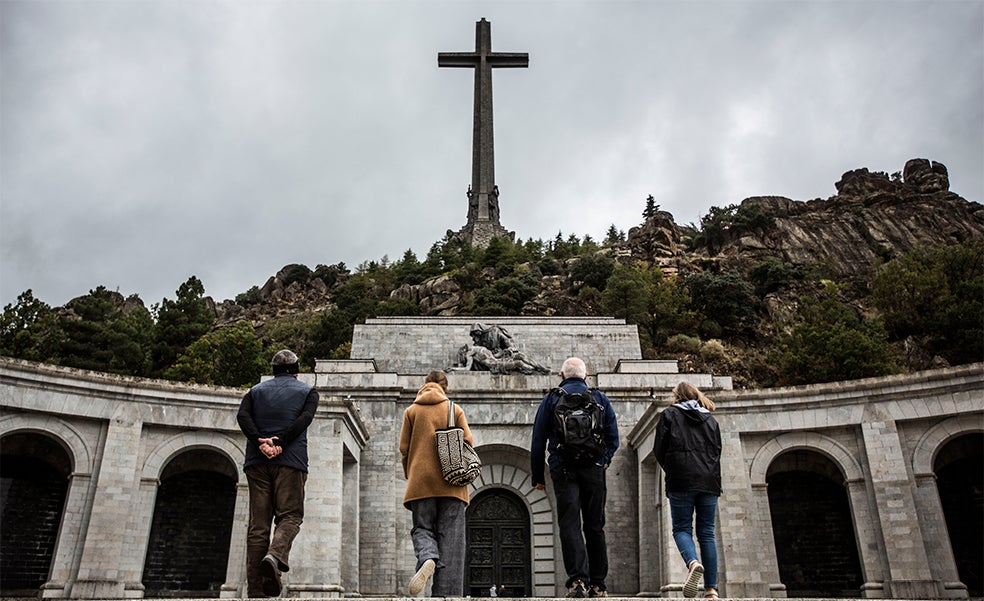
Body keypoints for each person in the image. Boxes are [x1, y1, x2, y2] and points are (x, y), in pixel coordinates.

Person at [530, 357, 619, 598]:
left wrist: (538, 476)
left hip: (564, 468)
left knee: (570, 523)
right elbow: (613, 437)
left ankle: (578, 579)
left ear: (562, 375)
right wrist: (603, 460)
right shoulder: (599, 398)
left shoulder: (552, 399)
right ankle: (598, 584)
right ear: (585, 376)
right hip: (594, 469)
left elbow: (538, 440)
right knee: (595, 525)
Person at [237, 349, 319, 598]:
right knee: (291, 516)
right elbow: (305, 419)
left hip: (257, 462)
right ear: (296, 372)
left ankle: (256, 591)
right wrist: (280, 441)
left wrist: (260, 441)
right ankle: (274, 556)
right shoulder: (308, 392)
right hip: (291, 462)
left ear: (273, 371)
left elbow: (243, 416)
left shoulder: (254, 391)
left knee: (258, 526)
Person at [399, 370, 473, 597]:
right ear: (445, 387)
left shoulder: (411, 411)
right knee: (452, 541)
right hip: (453, 483)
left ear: (425, 385)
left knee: (422, 527)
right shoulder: (454, 409)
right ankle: (446, 595)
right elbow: (468, 442)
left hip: (421, 483)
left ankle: (427, 556)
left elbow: (404, 449)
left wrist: (412, 474)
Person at [652, 381, 722, 600]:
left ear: (677, 396)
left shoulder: (669, 415)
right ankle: (711, 590)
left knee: (682, 528)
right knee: (707, 533)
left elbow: (658, 449)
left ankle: (692, 563)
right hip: (709, 481)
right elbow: (717, 450)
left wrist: (673, 469)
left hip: (681, 480)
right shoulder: (710, 420)